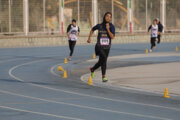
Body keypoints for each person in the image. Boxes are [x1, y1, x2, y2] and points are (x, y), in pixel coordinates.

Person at [87, 12, 115, 82]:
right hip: (99, 46)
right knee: (104, 59)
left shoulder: (112, 26)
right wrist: (89, 38)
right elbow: (92, 29)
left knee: (102, 61)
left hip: (107, 47)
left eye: (110, 17)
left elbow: (112, 37)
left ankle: (93, 69)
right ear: (104, 17)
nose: (108, 18)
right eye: (107, 16)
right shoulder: (99, 25)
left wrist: (108, 29)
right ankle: (104, 77)